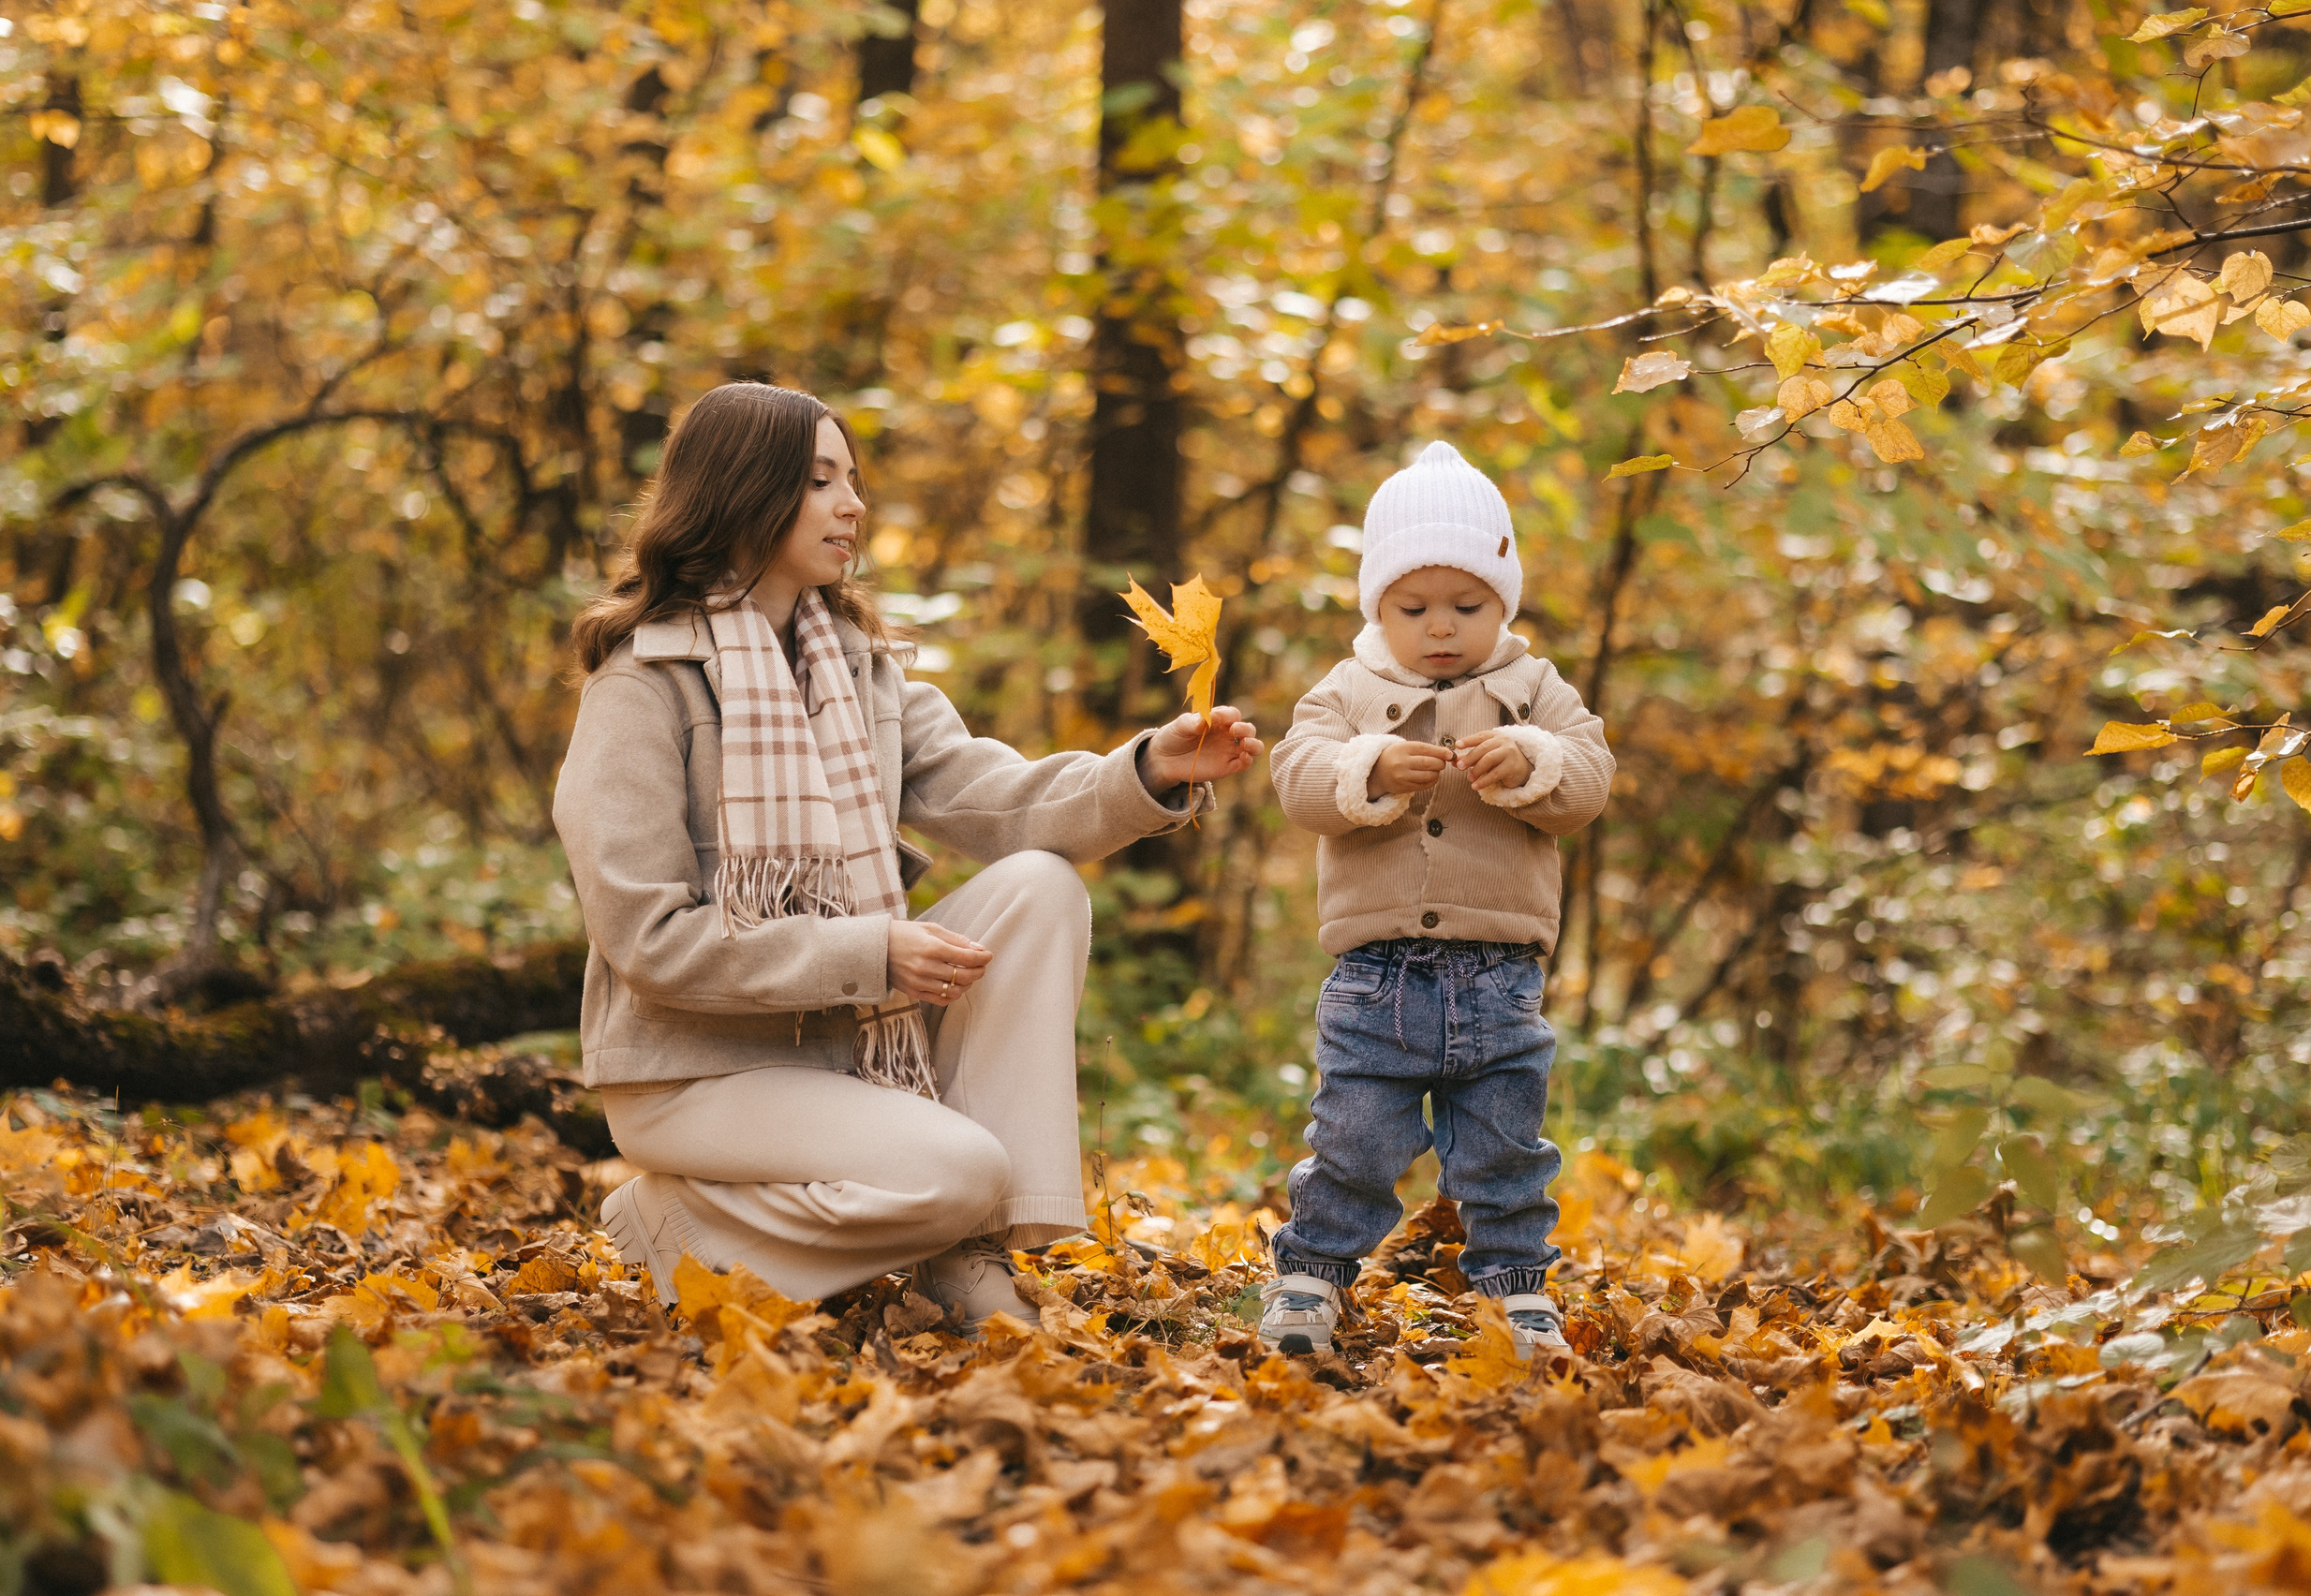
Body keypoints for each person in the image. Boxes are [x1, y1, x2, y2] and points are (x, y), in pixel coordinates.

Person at [553, 382, 1261, 1330]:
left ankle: (967, 1254)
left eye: (854, 480)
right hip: (693, 1069)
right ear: (742, 490)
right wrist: (870, 952)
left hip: (835, 1045)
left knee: (1038, 886)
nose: (852, 505)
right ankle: (680, 1222)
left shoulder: (855, 665)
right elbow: (647, 936)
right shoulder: (643, 683)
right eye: (819, 481)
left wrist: (1145, 770)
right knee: (961, 1168)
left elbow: (998, 800)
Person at [1264, 441, 1614, 1360]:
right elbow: (1297, 781)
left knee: (1504, 1142)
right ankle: (1310, 1277)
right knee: (1353, 1136)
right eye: (1413, 608)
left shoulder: (1534, 688)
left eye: (1468, 606)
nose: (1442, 628)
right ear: (1377, 605)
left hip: (1500, 975)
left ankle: (1515, 1290)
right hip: (1375, 974)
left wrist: (1535, 757)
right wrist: (1366, 766)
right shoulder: (1344, 691)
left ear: (1504, 601)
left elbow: (1588, 781)